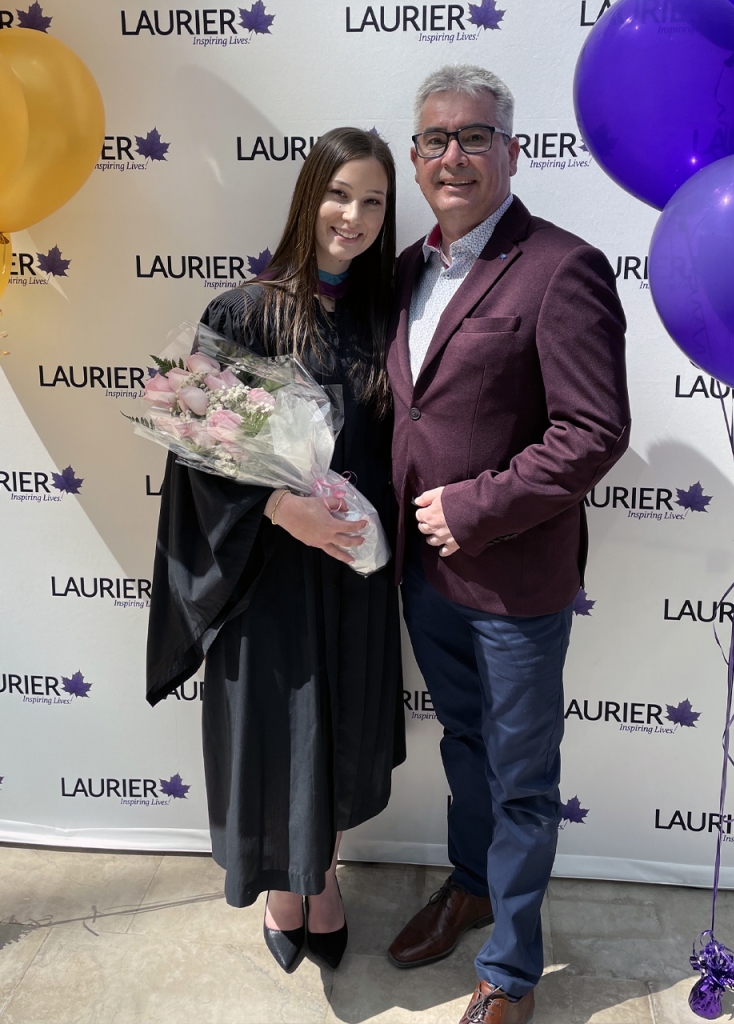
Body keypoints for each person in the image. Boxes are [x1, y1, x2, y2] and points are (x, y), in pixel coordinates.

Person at [386, 66, 630, 1024]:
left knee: (523, 782)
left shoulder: (562, 266)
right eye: (435, 139)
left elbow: (592, 431)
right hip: (423, 576)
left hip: (516, 584)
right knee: (464, 746)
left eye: (475, 136)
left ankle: (512, 971)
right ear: (414, 158)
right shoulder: (406, 269)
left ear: (512, 151)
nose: (454, 155)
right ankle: (471, 885)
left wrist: (476, 508)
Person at [145, 127, 404, 974]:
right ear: (307, 197)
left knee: (337, 729)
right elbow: (195, 453)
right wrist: (280, 509)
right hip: (268, 577)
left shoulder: (384, 318)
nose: (353, 216)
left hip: (351, 571)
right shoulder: (244, 312)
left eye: (373, 201)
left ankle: (321, 877)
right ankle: (283, 890)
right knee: (279, 728)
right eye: (339, 194)